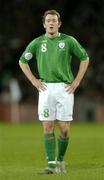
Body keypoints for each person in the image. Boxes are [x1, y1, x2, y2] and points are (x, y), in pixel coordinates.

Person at [19, 9, 89, 174]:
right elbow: (22, 61)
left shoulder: (68, 40)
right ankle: (51, 165)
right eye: (48, 20)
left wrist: (77, 80)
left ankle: (60, 160)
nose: (51, 23)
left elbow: (85, 58)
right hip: (45, 88)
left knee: (64, 128)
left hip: (65, 88)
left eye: (54, 20)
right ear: (44, 24)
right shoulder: (37, 43)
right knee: (48, 125)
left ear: (59, 24)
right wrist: (33, 80)